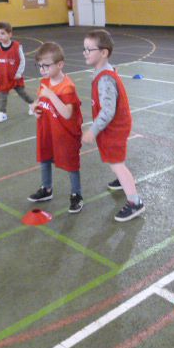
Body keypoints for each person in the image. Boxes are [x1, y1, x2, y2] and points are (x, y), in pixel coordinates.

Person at [81, 29, 145, 222]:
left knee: (116, 163)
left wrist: (93, 130)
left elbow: (108, 111)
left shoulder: (105, 78)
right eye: (84, 49)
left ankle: (135, 202)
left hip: (114, 127)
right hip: (114, 126)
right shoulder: (104, 71)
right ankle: (121, 180)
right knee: (113, 159)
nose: (85, 53)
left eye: (89, 49)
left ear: (104, 52)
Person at [28, 42, 84, 213]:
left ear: (60, 65)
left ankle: (77, 195)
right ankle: (47, 189)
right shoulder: (45, 82)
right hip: (47, 130)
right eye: (39, 65)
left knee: (70, 164)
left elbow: (67, 113)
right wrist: (35, 108)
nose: (42, 69)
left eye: (46, 65)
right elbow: (41, 101)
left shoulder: (67, 87)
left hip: (64, 134)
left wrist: (51, 95)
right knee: (45, 159)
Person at [0, 21, 34, 123]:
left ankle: (32, 104)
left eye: (2, 33)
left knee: (22, 93)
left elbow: (22, 60)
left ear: (10, 34)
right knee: (2, 96)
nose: (0, 36)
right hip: (3, 77)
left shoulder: (17, 46)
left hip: (15, 77)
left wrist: (19, 73)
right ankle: (2, 113)